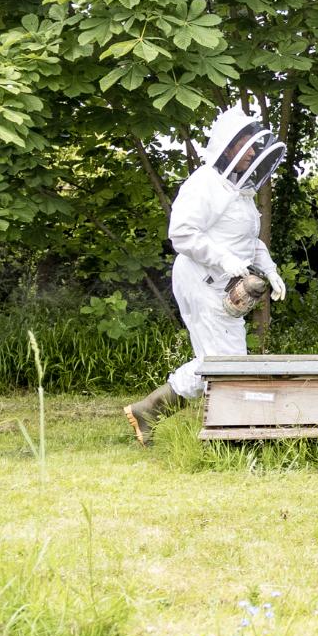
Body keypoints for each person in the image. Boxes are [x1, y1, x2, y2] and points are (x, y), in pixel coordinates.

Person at [125, 104, 288, 444]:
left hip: (227, 289)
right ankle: (228, 435)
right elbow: (182, 233)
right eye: (247, 145)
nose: (254, 152)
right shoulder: (204, 184)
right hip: (201, 282)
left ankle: (151, 410)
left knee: (225, 362)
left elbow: (249, 241)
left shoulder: (241, 192)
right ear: (230, 147)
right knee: (223, 363)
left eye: (255, 145)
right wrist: (224, 260)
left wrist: (271, 270)